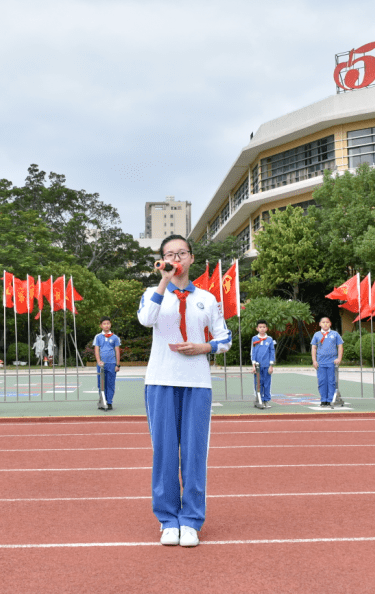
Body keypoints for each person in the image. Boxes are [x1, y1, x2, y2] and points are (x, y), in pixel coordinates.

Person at [138, 234, 231, 548]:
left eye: (181, 253)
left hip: (197, 383)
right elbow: (145, 320)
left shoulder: (207, 298)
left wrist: (204, 346)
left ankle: (191, 519)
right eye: (169, 254)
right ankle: (167, 519)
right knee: (164, 452)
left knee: (193, 452)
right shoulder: (153, 293)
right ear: (162, 260)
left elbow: (225, 338)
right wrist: (163, 284)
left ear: (191, 258)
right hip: (160, 381)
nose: (176, 259)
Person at [310, 316, 343, 408]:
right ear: (320, 324)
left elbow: (340, 346)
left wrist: (339, 358)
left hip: (332, 362)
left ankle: (330, 400)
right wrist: (314, 361)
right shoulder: (317, 334)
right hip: (321, 362)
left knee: (331, 381)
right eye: (323, 322)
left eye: (327, 322)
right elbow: (314, 348)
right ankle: (323, 399)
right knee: (322, 381)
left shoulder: (335, 334)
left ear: (330, 324)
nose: (325, 324)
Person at [94, 316, 121, 411]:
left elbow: (117, 351)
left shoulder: (115, 337)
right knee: (101, 384)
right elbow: (96, 350)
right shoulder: (98, 337)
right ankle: (103, 402)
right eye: (104, 324)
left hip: (112, 364)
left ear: (110, 324)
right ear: (101, 325)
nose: (106, 325)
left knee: (110, 383)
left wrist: (117, 364)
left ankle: (109, 402)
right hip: (101, 365)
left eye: (108, 323)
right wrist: (98, 361)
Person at [250, 320, 276, 408]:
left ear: (266, 328)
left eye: (264, 327)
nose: (262, 329)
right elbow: (253, 352)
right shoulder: (254, 338)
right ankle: (259, 399)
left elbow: (272, 352)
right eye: (260, 327)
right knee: (258, 383)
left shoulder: (270, 339)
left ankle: (266, 400)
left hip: (267, 365)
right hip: (257, 366)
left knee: (267, 383)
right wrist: (253, 365)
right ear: (257, 328)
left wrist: (271, 365)